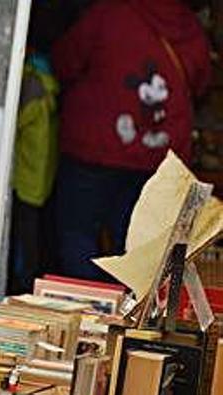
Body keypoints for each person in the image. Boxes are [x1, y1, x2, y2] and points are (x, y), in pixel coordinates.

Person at [52, 0, 211, 280]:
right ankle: (125, 312)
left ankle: (90, 309)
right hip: (160, 157)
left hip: (96, 149)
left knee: (77, 234)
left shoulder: (106, 13)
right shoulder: (186, 23)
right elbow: (200, 81)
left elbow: (66, 61)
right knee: (137, 248)